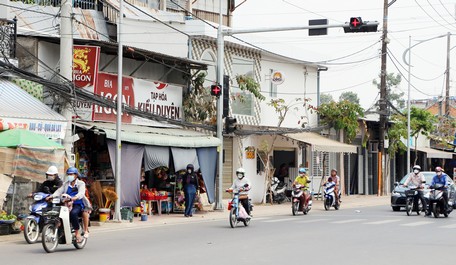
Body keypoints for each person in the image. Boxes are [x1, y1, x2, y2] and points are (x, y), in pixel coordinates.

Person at [48, 167, 88, 242]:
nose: (70, 176)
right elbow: (59, 191)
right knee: (57, 213)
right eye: (69, 174)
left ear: (76, 175)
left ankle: (77, 233)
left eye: (71, 174)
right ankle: (61, 231)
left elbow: (81, 193)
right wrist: (51, 196)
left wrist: (75, 198)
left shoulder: (81, 183)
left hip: (77, 204)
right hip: (66, 203)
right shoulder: (66, 184)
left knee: (73, 213)